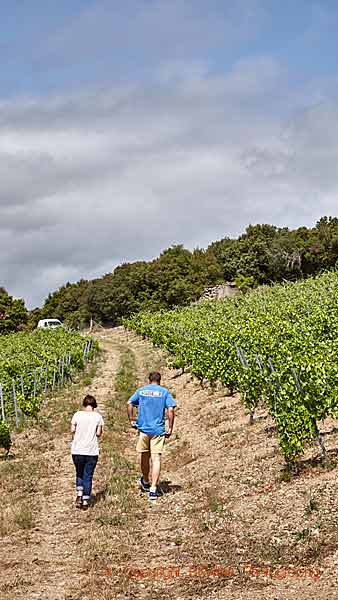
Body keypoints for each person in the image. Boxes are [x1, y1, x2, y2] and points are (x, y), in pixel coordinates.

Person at [127, 371, 176, 501]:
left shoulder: (142, 391)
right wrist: (170, 427)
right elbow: (170, 409)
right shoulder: (164, 392)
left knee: (144, 455)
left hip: (143, 429)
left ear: (149, 380)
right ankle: (153, 489)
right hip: (158, 430)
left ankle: (146, 481)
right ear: (159, 381)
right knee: (156, 458)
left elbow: (129, 403)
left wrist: (132, 419)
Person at [70, 394, 104, 510]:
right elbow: (98, 434)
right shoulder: (98, 417)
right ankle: (85, 501)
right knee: (88, 475)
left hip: (77, 450)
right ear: (94, 405)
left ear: (84, 404)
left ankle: (79, 495)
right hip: (91, 451)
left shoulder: (77, 415)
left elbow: (72, 430)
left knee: (79, 473)